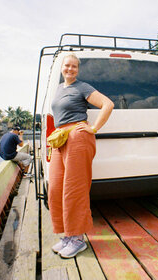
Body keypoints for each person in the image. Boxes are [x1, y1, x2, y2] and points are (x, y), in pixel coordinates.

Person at [49, 53, 114, 259]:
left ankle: (78, 239)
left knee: (74, 188)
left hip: (77, 138)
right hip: (60, 139)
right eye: (67, 66)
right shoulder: (59, 88)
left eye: (74, 66)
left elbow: (108, 104)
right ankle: (67, 234)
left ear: (78, 69)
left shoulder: (82, 87)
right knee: (56, 187)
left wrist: (93, 128)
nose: (70, 69)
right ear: (62, 68)